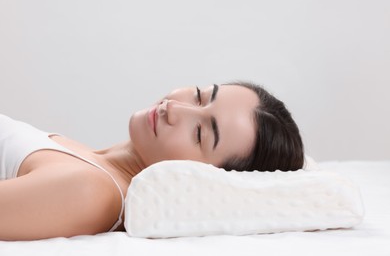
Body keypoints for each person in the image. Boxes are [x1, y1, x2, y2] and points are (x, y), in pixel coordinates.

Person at [0, 81, 304, 241]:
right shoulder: (94, 161)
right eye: (199, 95)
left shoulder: (93, 193)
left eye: (199, 134)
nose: (173, 108)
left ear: (206, 178)